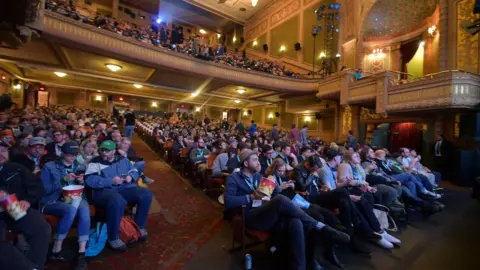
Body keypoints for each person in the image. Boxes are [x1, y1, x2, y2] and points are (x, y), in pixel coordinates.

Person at [224, 149, 349, 270]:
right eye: (255, 160)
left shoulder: (258, 175)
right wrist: (250, 197)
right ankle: (319, 226)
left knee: (296, 222)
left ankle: (300, 266)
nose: (258, 162)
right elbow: (228, 201)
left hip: (267, 212)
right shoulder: (234, 178)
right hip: (251, 216)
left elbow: (270, 194)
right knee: (280, 200)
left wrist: (279, 186)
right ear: (246, 163)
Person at [265, 158, 345, 268]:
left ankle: (331, 244)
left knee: (324, 213)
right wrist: (281, 187)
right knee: (317, 217)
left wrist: (288, 185)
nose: (283, 173)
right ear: (274, 169)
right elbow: (269, 199)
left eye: (283, 170)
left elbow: (288, 192)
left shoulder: (279, 177)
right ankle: (311, 257)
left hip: (295, 200)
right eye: (280, 171)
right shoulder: (270, 178)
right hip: (287, 207)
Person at [85, 140, 153, 251]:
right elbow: (90, 180)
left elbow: (134, 170)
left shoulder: (122, 160)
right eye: (102, 150)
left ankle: (139, 227)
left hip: (123, 189)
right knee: (117, 200)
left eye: (107, 150)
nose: (103, 153)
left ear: (114, 151)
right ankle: (113, 238)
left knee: (146, 194)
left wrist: (131, 176)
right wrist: (110, 181)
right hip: (103, 192)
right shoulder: (95, 162)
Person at [0, 141, 51, 270]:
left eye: (3, 150)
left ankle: (35, 267)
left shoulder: (16, 168)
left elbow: (37, 187)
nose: (1, 154)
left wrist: (28, 200)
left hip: (14, 207)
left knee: (41, 228)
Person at [40, 141, 89, 269]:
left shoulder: (79, 166)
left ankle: (81, 252)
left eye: (75, 154)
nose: (73, 157)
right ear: (62, 153)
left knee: (84, 208)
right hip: (53, 200)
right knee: (71, 209)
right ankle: (57, 245)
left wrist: (82, 181)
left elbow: (82, 188)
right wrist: (63, 180)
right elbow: (44, 190)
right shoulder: (49, 166)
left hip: (74, 197)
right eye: (69, 154)